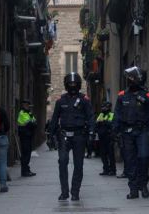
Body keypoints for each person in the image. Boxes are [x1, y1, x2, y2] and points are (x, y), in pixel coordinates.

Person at [113, 66, 149, 199]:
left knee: (144, 157)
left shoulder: (147, 97)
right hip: (127, 133)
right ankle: (133, 189)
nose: (128, 81)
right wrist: (115, 131)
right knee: (130, 161)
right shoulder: (122, 96)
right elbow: (117, 115)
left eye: (130, 79)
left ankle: (143, 184)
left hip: (142, 131)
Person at [50, 72, 95, 201]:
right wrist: (51, 135)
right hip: (64, 135)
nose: (72, 86)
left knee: (78, 164)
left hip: (79, 136)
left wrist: (91, 133)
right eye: (70, 84)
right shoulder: (60, 101)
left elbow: (91, 117)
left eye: (75, 84)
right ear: (66, 85)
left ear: (79, 85)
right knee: (62, 162)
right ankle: (64, 192)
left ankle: (75, 191)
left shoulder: (84, 100)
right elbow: (54, 119)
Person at [17, 99, 37, 177]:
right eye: (26, 105)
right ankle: (24, 171)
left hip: (28, 135)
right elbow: (30, 124)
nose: (28, 106)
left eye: (28, 105)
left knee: (28, 154)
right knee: (25, 154)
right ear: (23, 105)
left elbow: (35, 123)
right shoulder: (22, 113)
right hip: (24, 136)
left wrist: (33, 122)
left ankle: (27, 170)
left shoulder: (29, 113)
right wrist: (33, 123)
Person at [96, 101, 116, 176]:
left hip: (109, 137)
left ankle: (113, 170)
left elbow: (110, 124)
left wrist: (103, 121)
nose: (103, 108)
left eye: (105, 107)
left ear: (108, 107)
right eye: (102, 107)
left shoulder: (111, 114)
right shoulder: (101, 114)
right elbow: (97, 123)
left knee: (111, 154)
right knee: (103, 154)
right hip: (101, 137)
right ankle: (106, 169)